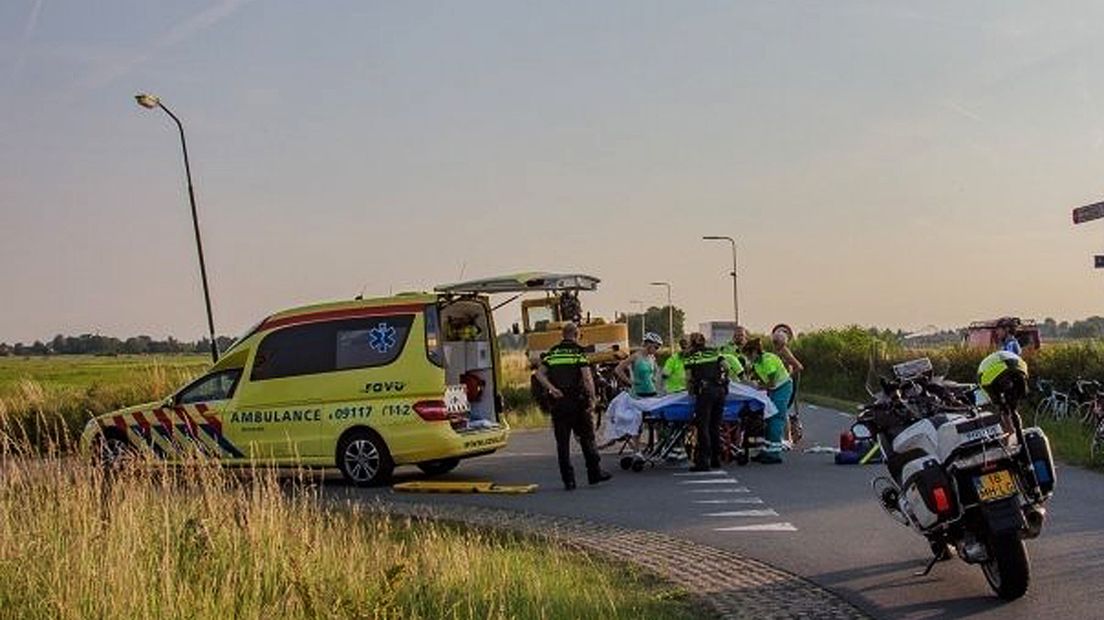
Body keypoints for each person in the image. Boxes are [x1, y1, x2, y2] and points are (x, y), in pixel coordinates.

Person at [534, 323, 612, 490]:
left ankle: (568, 480)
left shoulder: (552, 352)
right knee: (587, 438)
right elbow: (587, 378)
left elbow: (538, 374)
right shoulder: (578, 352)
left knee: (562, 444)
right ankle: (594, 473)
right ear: (577, 334)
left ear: (563, 335)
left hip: (559, 403)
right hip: (578, 401)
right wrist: (593, 398)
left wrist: (552, 388)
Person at [742, 338, 793, 464]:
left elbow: (771, 383)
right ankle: (766, 450)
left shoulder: (767, 360)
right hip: (775, 390)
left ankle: (774, 454)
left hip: (782, 388)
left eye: (749, 355)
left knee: (776, 418)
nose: (748, 358)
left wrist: (758, 387)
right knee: (768, 420)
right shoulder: (758, 363)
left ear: (754, 352)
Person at [685, 332, 729, 471]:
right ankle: (716, 459)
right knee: (715, 426)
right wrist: (723, 380)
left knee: (703, 425)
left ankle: (703, 461)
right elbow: (726, 367)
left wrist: (691, 392)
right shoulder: (714, 352)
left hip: (705, 391)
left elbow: (688, 377)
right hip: (720, 391)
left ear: (692, 343)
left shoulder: (690, 355)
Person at [771, 324, 804, 444]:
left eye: (777, 342)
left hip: (784, 384)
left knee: (782, 410)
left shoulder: (784, 351)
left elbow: (799, 367)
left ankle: (787, 437)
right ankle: (782, 436)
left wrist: (787, 377)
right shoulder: (777, 351)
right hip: (778, 384)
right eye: (774, 342)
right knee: (779, 410)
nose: (775, 344)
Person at [616, 332, 664, 397]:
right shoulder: (636, 356)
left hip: (651, 391)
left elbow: (655, 370)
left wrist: (654, 378)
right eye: (656, 347)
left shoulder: (652, 357)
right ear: (648, 345)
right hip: (638, 392)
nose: (656, 350)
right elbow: (618, 369)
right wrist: (629, 382)